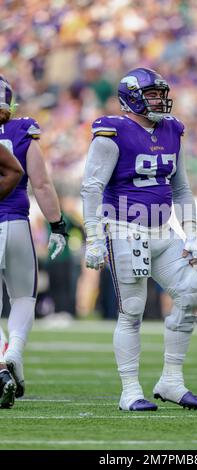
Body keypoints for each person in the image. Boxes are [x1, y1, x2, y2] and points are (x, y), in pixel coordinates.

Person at [81, 67, 197, 411]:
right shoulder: (113, 132)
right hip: (124, 228)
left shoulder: (172, 130)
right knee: (132, 309)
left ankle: (171, 381)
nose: (160, 100)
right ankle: (130, 390)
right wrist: (94, 237)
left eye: (160, 94)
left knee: (190, 293)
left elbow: (181, 188)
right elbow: (91, 187)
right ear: (132, 97)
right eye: (152, 94)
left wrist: (192, 233)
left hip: (163, 231)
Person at [0, 75, 68, 408]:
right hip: (14, 222)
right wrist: (57, 225)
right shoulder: (22, 129)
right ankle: (14, 350)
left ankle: (2, 365)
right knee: (23, 296)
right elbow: (40, 183)